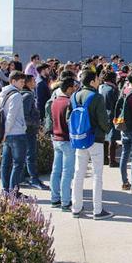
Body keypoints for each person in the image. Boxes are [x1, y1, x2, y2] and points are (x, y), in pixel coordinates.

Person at [70, 70, 113, 219]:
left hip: (79, 138)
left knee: (78, 174)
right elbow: (103, 120)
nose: (99, 80)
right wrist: (108, 129)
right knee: (97, 175)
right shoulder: (97, 97)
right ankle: (98, 209)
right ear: (93, 81)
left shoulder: (74, 96)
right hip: (95, 139)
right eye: (97, 78)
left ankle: (76, 207)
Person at [45, 77, 77, 211]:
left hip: (56, 139)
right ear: (69, 88)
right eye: (74, 87)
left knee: (56, 170)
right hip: (66, 140)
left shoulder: (55, 102)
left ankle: (55, 198)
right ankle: (65, 201)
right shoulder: (69, 103)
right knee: (67, 173)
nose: (75, 89)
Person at [0, 72, 28, 196]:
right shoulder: (16, 95)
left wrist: (4, 133)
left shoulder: (3, 94)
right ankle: (13, 192)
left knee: (6, 163)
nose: (23, 84)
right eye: (21, 82)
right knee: (18, 164)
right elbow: (11, 115)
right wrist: (6, 131)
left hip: (8, 133)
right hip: (16, 132)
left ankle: (6, 190)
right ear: (13, 81)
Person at [21, 75, 48, 190]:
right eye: (33, 81)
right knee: (31, 155)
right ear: (27, 83)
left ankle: (23, 177)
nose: (35, 83)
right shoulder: (27, 96)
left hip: (26, 130)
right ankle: (33, 179)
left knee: (25, 155)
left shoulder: (25, 94)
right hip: (29, 130)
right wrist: (36, 123)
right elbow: (25, 116)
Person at [98, 70, 120, 167]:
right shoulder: (113, 89)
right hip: (112, 114)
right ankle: (112, 160)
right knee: (112, 137)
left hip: (103, 113)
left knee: (105, 137)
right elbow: (116, 104)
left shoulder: (101, 88)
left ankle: (104, 159)